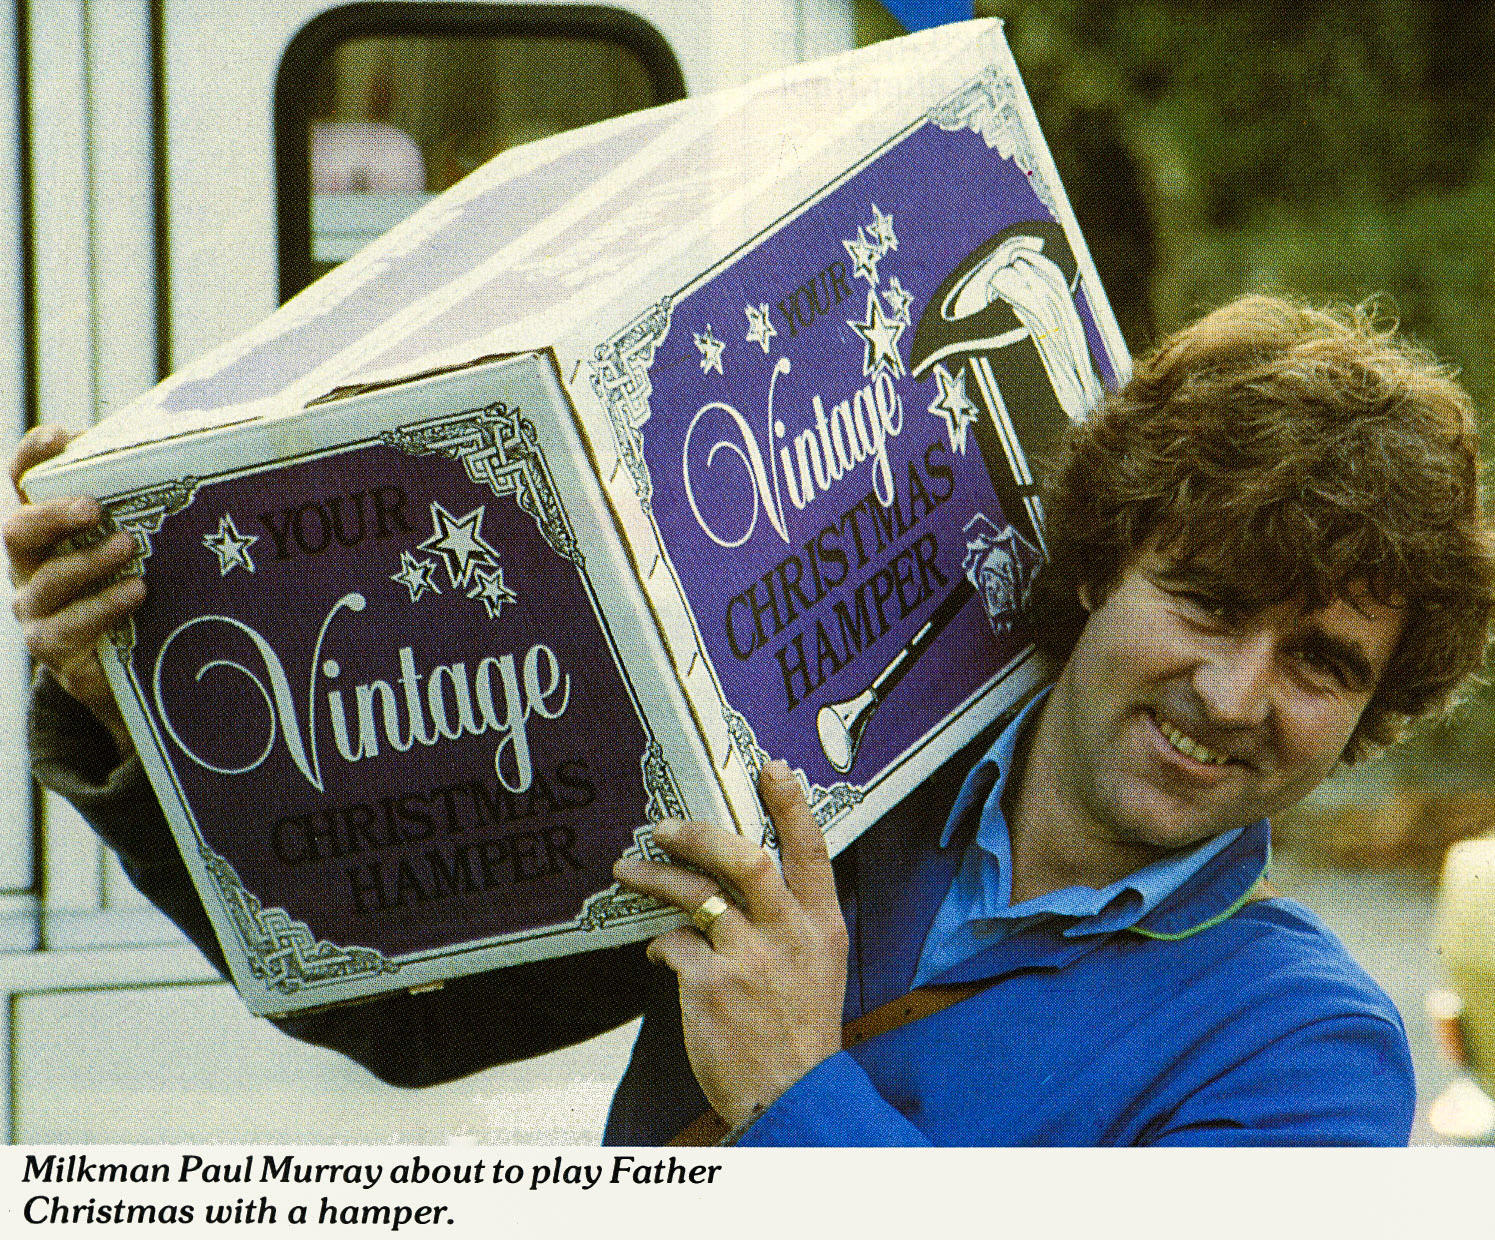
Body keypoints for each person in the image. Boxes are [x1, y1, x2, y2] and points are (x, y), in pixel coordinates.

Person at [9, 294, 1494, 1145]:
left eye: (1323, 661)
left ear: (1377, 706)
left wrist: (797, 1089)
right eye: (1213, 602)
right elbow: (406, 1020)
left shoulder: (1309, 1048)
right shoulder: (823, 783)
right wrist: (126, 713)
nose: (1237, 697)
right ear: (1102, 561)